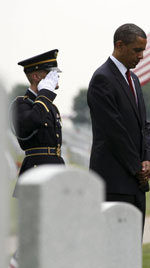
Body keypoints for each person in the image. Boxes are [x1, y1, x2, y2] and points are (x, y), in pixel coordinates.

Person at [87, 23, 150, 229]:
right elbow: (114, 132)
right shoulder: (103, 79)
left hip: (137, 182)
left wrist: (148, 161)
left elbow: (144, 125)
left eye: (143, 51)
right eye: (137, 50)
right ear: (119, 45)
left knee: (133, 250)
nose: (141, 56)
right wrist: (137, 168)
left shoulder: (133, 79)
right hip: (114, 181)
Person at [10, 49, 65, 268]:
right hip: (35, 172)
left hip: (54, 171)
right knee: (35, 231)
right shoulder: (20, 104)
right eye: (50, 73)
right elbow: (27, 126)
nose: (56, 78)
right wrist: (45, 95)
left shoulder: (49, 104)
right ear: (36, 76)